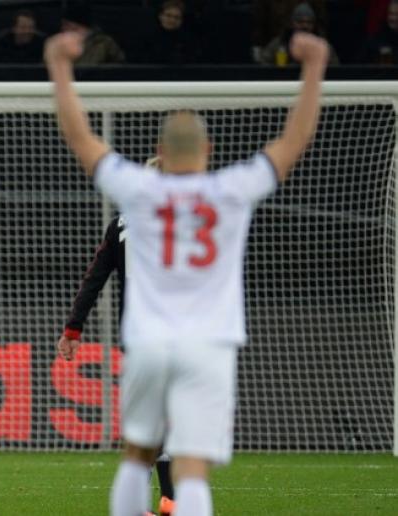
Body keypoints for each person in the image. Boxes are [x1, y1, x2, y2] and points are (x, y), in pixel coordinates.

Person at [46, 26, 328, 516]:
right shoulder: (231, 191)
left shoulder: (137, 194)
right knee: (192, 466)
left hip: (148, 341)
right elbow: (295, 139)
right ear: (208, 149)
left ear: (161, 150)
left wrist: (59, 64)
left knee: (137, 455)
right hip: (209, 344)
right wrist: (315, 65)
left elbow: (79, 136)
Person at [58, 159, 176, 516]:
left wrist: (73, 328)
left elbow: (94, 278)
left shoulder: (120, 224)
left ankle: (158, 499)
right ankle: (168, 498)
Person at [259, 3, 340, 66]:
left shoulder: (323, 45)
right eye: (300, 22)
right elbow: (263, 64)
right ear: (292, 23)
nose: (305, 26)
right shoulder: (280, 43)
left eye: (309, 22)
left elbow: (335, 68)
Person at [137, 0, 201, 65]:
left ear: (181, 21)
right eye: (168, 15)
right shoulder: (148, 38)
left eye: (177, 17)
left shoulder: (188, 40)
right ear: (160, 16)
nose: (172, 20)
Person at [61, 2, 125, 65]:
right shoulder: (61, 44)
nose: (64, 29)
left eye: (67, 25)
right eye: (64, 25)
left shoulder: (103, 43)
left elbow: (120, 66)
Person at [358, 0, 398, 64]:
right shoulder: (376, 39)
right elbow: (359, 64)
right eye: (391, 14)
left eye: (397, 14)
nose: (394, 18)